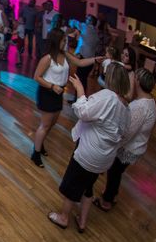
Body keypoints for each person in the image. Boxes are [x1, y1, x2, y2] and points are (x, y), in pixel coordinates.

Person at [48, 63, 130, 232]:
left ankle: (64, 217)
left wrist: (80, 89)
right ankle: (82, 221)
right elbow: (123, 135)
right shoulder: (126, 108)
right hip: (104, 158)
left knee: (72, 185)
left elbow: (83, 112)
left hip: (88, 154)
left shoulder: (108, 96)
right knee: (88, 186)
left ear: (111, 79)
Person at [31, 29, 103, 167]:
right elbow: (36, 77)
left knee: (52, 124)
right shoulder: (47, 58)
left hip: (58, 93)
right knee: (45, 125)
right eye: (64, 40)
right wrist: (52, 86)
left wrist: (95, 59)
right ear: (56, 41)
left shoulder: (64, 55)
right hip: (48, 93)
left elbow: (80, 63)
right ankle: (36, 153)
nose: (66, 42)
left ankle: (40, 145)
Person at [95, 68, 156, 211]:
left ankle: (107, 201)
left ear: (138, 82)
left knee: (114, 172)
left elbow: (128, 133)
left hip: (129, 148)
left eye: (134, 78)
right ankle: (112, 195)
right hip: (136, 147)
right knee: (116, 172)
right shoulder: (149, 100)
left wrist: (111, 146)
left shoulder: (141, 107)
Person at [74, 14, 100, 93]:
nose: (85, 20)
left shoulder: (86, 27)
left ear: (91, 22)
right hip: (91, 61)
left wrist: (71, 21)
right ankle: (79, 98)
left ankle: (77, 99)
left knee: (79, 79)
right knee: (83, 80)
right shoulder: (95, 32)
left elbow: (74, 22)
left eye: (87, 19)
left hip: (84, 59)